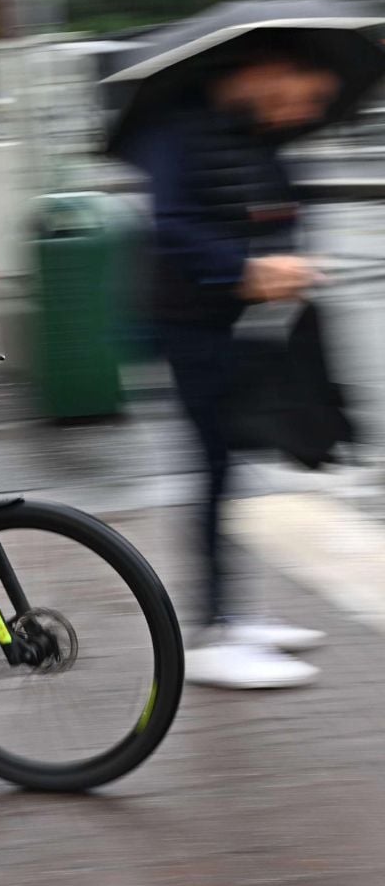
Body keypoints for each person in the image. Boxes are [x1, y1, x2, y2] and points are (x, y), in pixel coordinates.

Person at [122, 40, 338, 690]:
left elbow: (279, 208)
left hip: (233, 324)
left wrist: (283, 255)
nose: (300, 97)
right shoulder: (174, 131)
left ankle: (234, 615)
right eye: (291, 79)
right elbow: (174, 227)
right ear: (255, 71)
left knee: (231, 465)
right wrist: (246, 268)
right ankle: (213, 629)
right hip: (187, 324)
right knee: (213, 465)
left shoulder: (255, 132)